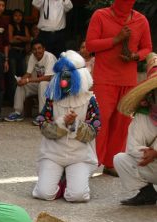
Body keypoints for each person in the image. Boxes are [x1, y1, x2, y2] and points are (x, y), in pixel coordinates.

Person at [86, 0, 152, 176]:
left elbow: (147, 48)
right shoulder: (100, 15)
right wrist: (116, 40)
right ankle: (93, 162)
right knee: (101, 120)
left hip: (128, 80)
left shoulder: (141, 20)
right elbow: (90, 44)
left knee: (122, 123)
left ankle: (111, 163)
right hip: (105, 78)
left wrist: (135, 56)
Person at [32, 50, 101, 202]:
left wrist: (74, 124)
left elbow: (93, 131)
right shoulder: (52, 98)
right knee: (44, 193)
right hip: (52, 154)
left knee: (77, 196)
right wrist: (63, 123)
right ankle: (61, 180)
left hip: (79, 156)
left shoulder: (90, 100)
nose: (64, 79)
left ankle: (70, 180)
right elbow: (43, 126)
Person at [114, 52, 157, 206]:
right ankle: (147, 193)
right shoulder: (141, 117)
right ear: (150, 96)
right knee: (120, 159)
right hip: (150, 164)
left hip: (153, 159)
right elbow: (132, 148)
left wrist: (156, 152)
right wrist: (149, 154)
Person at [4, 39, 56, 122]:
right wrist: (21, 80)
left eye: (39, 48)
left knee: (43, 83)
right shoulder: (33, 56)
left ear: (44, 49)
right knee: (22, 84)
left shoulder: (49, 57)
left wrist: (28, 80)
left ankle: (42, 115)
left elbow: (48, 78)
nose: (37, 51)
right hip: (40, 84)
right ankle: (18, 112)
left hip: (52, 87)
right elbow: (28, 73)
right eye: (34, 49)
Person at [7, 8, 30, 105]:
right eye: (16, 15)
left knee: (23, 76)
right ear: (13, 17)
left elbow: (28, 38)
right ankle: (13, 101)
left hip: (22, 53)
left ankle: (22, 101)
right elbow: (11, 40)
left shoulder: (24, 26)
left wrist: (18, 37)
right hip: (13, 52)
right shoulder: (10, 25)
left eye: (20, 15)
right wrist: (22, 40)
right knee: (13, 77)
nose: (18, 17)